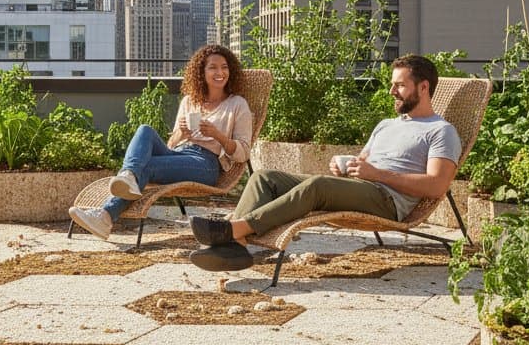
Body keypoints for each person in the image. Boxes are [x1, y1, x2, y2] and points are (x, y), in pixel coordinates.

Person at [189, 53, 462, 271]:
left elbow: (437, 185)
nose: (392, 91)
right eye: (392, 84)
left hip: (389, 200)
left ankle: (235, 229)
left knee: (317, 186)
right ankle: (234, 247)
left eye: (400, 85)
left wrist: (378, 174)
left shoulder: (441, 131)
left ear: (423, 87)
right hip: (364, 187)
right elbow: (363, 162)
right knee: (265, 177)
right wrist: (347, 164)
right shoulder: (386, 124)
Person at [68, 45, 253, 240]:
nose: (220, 72)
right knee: (144, 130)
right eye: (213, 67)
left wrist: (218, 136)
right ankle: (128, 175)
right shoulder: (190, 101)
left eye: (224, 67)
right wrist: (181, 133)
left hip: (206, 164)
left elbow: (243, 153)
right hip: (181, 153)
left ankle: (105, 215)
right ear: (202, 72)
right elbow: (172, 144)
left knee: (146, 168)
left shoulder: (237, 104)